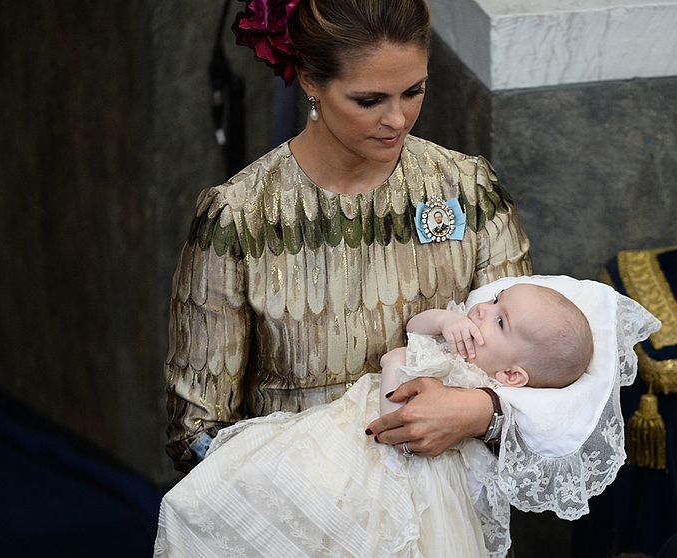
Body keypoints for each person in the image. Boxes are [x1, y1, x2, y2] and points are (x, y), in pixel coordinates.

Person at [165, 0, 532, 474]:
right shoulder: (240, 218)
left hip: (445, 506)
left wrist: (481, 413)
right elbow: (194, 428)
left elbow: (539, 368)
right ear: (311, 81)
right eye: (369, 100)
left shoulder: (467, 189)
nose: (398, 120)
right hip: (295, 511)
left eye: (413, 91)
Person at [154, 280, 595, 557]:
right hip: (364, 439)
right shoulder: (461, 340)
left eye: (499, 321)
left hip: (429, 478)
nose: (482, 310)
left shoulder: (488, 385)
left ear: (514, 375)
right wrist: (443, 320)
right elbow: (413, 336)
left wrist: (468, 407)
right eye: (495, 300)